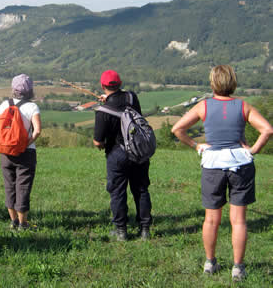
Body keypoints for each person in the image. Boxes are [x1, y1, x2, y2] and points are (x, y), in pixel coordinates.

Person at [172, 65, 273, 281]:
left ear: (212, 83)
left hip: (212, 165)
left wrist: (196, 145)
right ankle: (238, 267)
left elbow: (177, 129)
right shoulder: (243, 106)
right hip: (240, 165)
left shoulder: (204, 106)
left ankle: (210, 263)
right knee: (238, 221)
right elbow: (267, 130)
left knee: (211, 219)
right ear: (233, 82)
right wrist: (253, 150)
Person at [93, 70, 152, 241]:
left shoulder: (103, 111)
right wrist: (110, 99)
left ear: (102, 86)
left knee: (117, 192)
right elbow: (128, 107)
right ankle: (145, 229)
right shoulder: (132, 97)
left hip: (116, 154)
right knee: (141, 189)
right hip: (139, 151)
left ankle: (121, 231)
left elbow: (98, 141)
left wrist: (107, 103)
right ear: (120, 83)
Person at [0, 74, 41, 231]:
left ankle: (13, 222)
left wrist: (1, 141)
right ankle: (23, 224)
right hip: (25, 154)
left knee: (9, 186)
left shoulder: (5, 105)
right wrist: (24, 145)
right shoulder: (32, 107)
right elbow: (37, 131)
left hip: (6, 153)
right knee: (23, 187)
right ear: (30, 90)